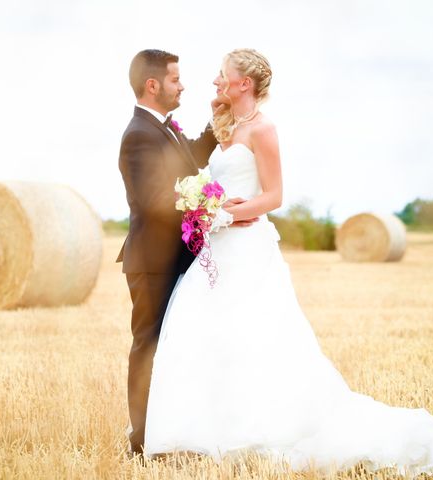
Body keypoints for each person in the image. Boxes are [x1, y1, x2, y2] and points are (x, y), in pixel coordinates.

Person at [142, 48, 433, 476]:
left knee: (255, 336)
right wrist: (205, 206)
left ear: (244, 83)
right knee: (204, 332)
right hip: (217, 249)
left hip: (247, 248)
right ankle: (204, 433)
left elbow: (274, 196)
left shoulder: (264, 130)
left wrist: (227, 212)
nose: (215, 81)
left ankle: (258, 429)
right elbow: (215, 179)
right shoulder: (226, 126)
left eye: (222, 75)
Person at [116, 49, 256, 455]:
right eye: (176, 80)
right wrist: (216, 210)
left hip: (176, 257)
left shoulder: (162, 127)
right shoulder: (138, 134)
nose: (184, 86)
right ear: (153, 85)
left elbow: (192, 159)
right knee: (149, 347)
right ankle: (140, 443)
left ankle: (174, 432)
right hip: (152, 263)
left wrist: (215, 120)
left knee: (176, 348)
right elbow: (154, 200)